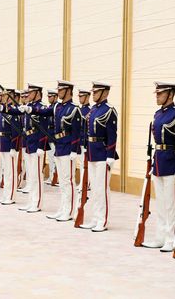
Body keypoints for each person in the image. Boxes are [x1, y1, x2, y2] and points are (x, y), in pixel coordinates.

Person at [25, 80, 82, 221]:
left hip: (68, 147)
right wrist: (30, 109)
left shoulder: (74, 109)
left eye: (61, 90)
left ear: (68, 90)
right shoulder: (57, 106)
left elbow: (77, 131)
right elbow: (44, 111)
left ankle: (69, 211)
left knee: (68, 180)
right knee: (62, 182)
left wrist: (74, 149)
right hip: (59, 146)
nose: (58, 92)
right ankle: (63, 208)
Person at [142, 82, 175, 252]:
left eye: (160, 93)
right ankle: (160, 237)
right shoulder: (158, 114)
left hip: (171, 163)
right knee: (160, 204)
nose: (157, 96)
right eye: (157, 93)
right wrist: (153, 164)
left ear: (170, 94)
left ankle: (172, 238)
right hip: (159, 162)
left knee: (171, 204)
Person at [78, 82, 118, 232]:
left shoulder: (109, 111)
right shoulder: (93, 110)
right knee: (94, 188)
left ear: (105, 93)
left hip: (102, 153)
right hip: (92, 152)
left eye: (96, 92)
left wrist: (110, 155)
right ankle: (95, 218)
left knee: (102, 189)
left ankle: (102, 220)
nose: (93, 94)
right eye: (93, 92)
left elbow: (112, 135)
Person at [18, 84, 50, 213]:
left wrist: (42, 146)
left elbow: (44, 128)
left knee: (37, 175)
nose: (28, 94)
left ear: (37, 93)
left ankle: (37, 202)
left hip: (37, 145)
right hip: (29, 143)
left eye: (31, 92)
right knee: (31, 176)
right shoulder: (29, 107)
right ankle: (31, 201)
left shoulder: (41, 108)